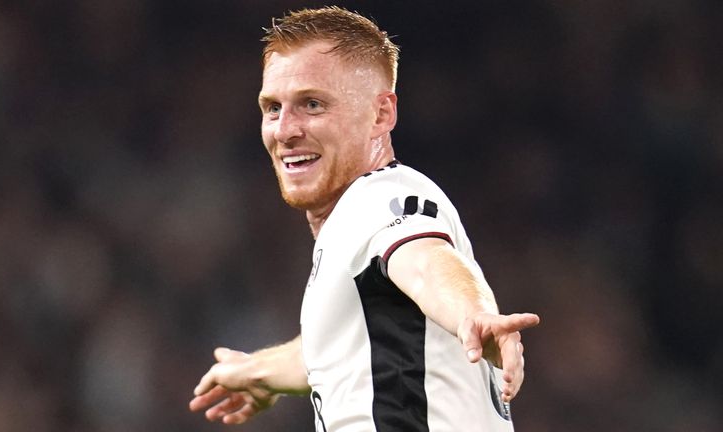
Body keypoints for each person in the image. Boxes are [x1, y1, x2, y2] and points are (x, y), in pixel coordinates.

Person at [190, 6, 540, 431]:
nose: (284, 130)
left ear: (381, 115)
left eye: (312, 104)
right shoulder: (348, 236)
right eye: (273, 108)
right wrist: (257, 372)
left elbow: (427, 262)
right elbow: (338, 347)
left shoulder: (381, 198)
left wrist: (474, 315)